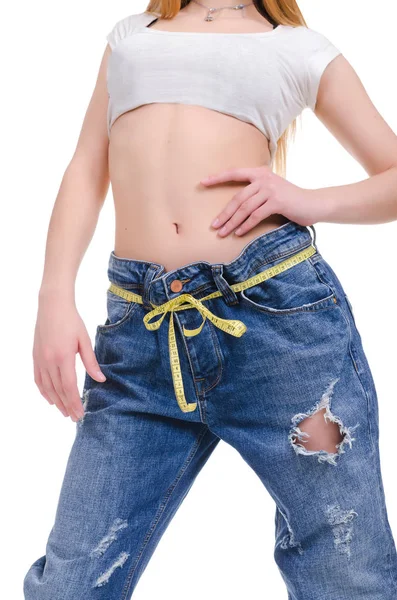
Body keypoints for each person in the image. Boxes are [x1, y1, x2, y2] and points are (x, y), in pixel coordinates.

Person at [24, 1, 397, 598]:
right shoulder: (132, 35)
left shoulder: (297, 48)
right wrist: (53, 296)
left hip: (282, 337)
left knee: (346, 576)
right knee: (72, 584)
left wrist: (309, 200)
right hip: (138, 334)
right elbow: (86, 166)